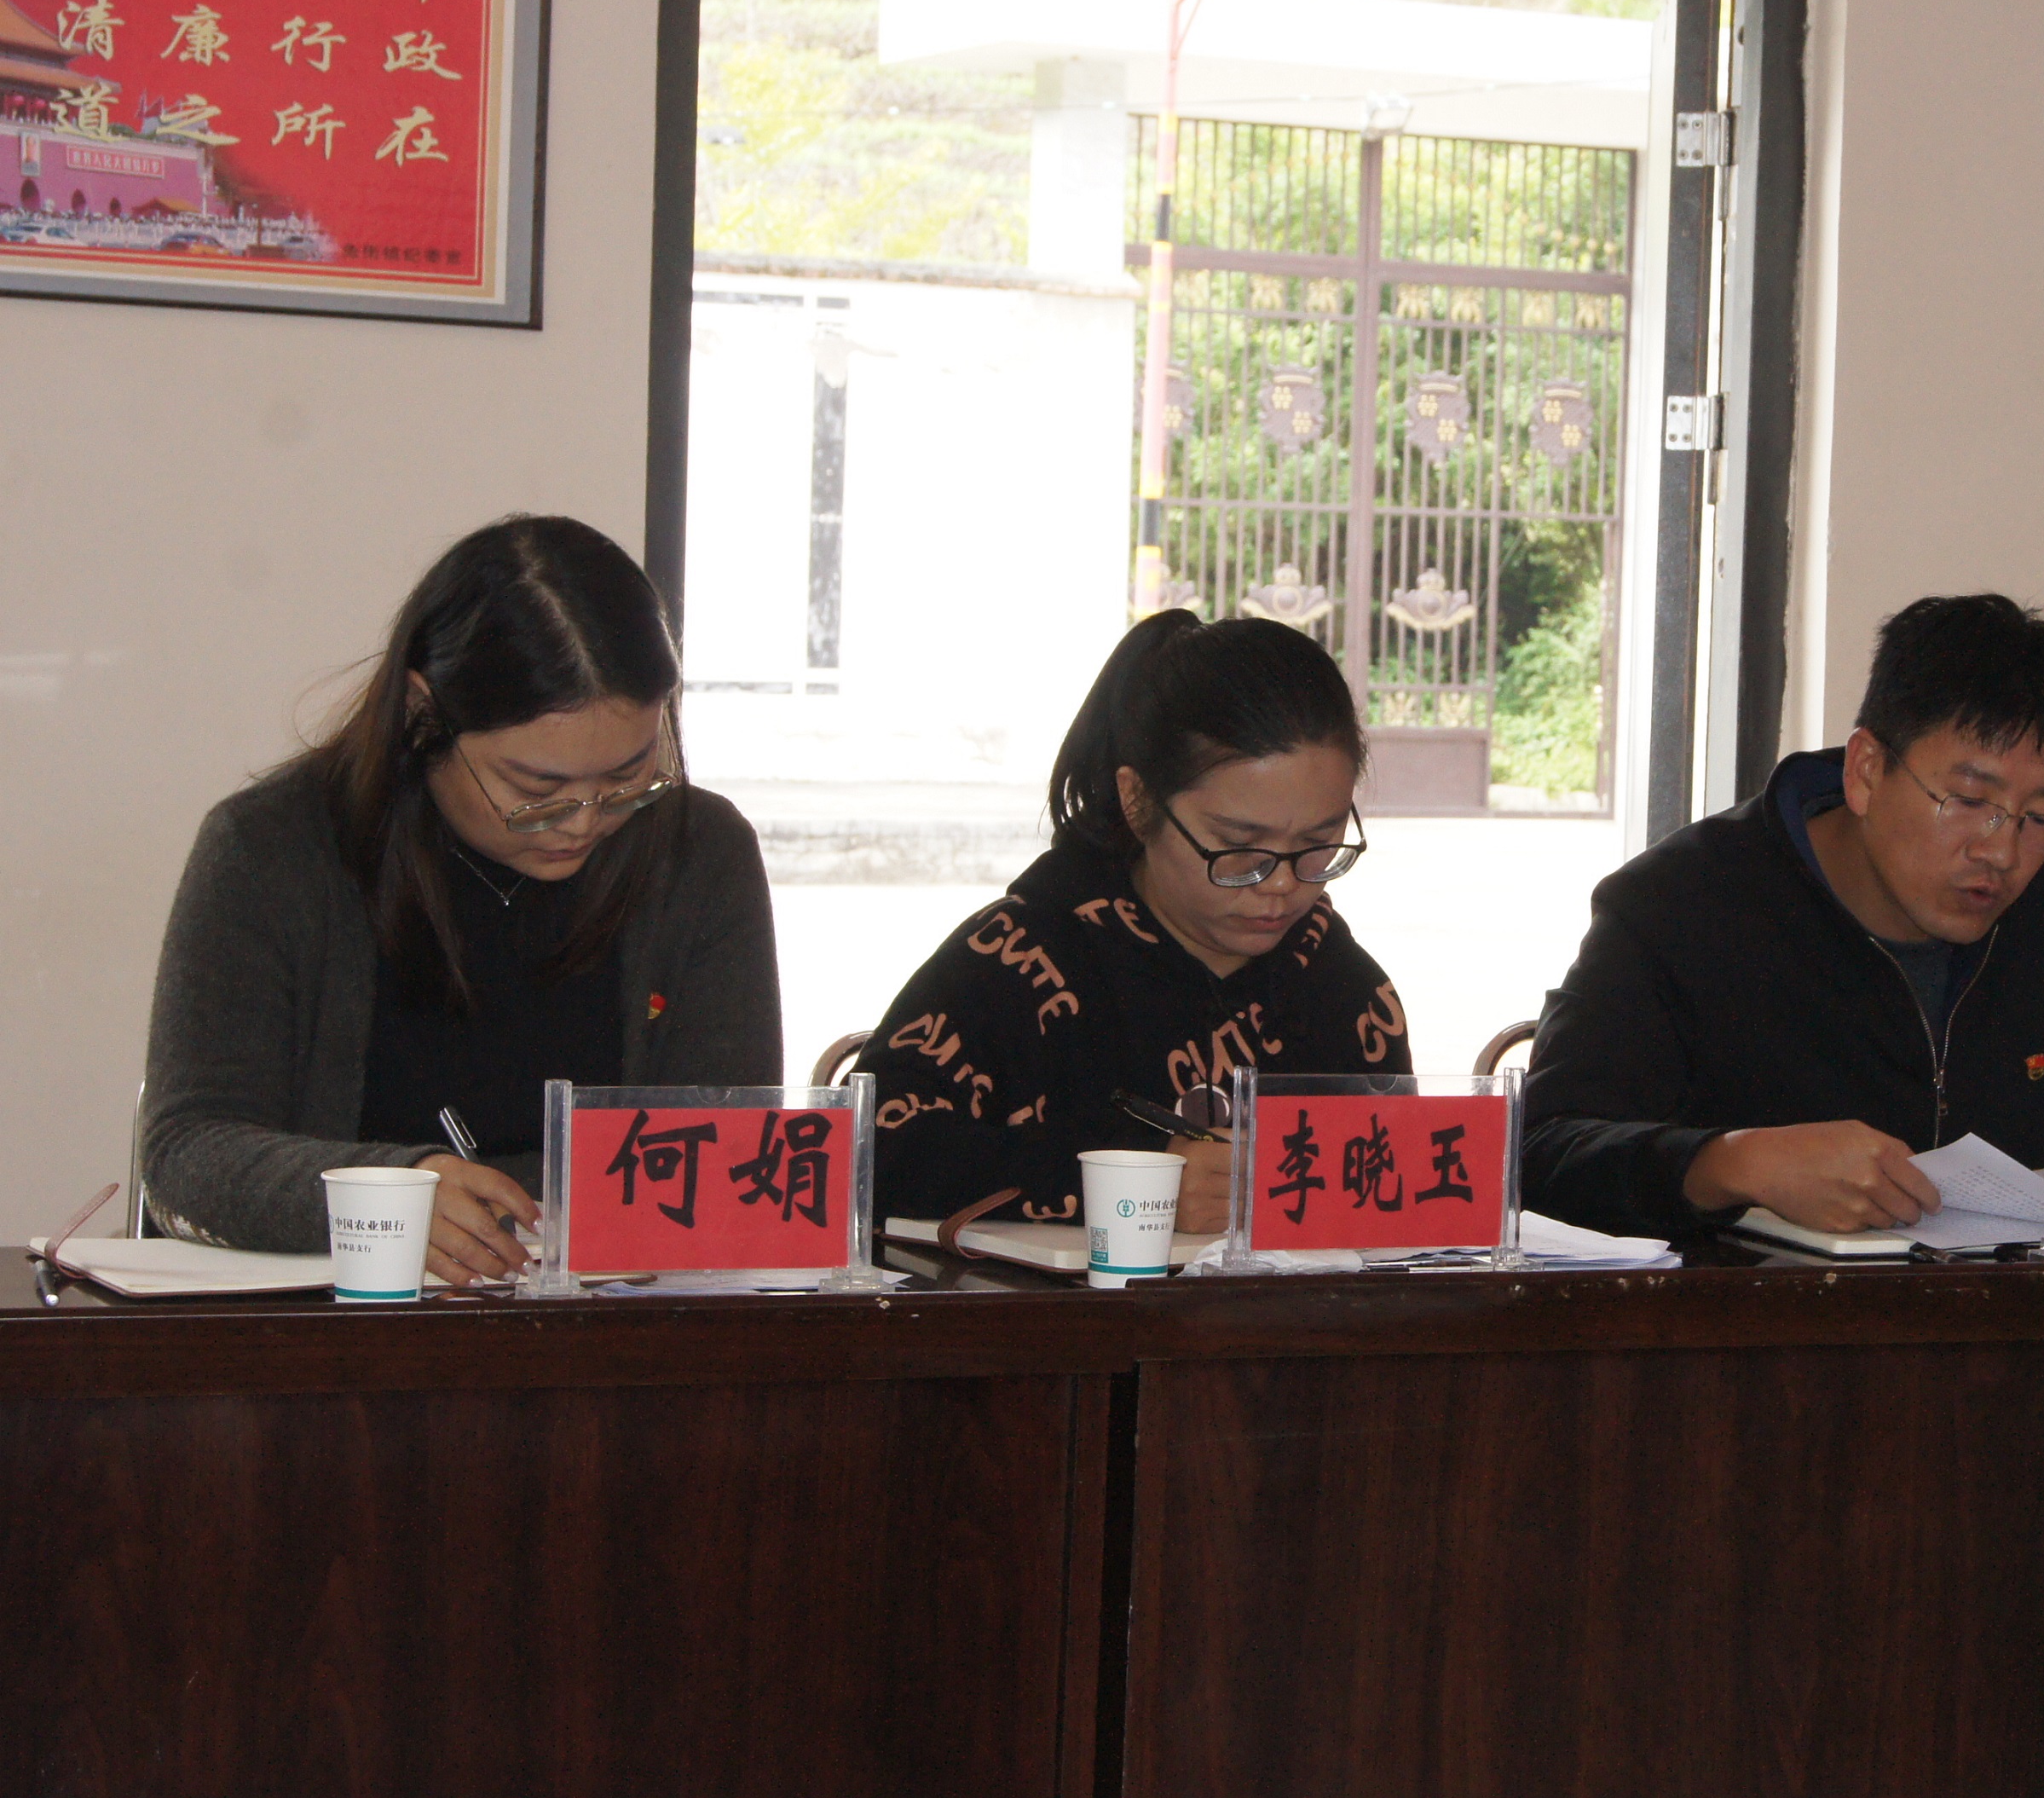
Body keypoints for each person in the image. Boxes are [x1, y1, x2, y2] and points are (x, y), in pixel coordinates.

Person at [140, 515, 782, 1285]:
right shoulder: (273, 850)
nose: (583, 822)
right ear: (424, 714)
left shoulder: (699, 853)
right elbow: (188, 1150)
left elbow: (733, 1145)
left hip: (616, 1315)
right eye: (536, 788)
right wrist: (390, 1192)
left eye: (626, 778)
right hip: (343, 1323)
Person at [1522, 593, 2044, 1240]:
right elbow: (1542, 1150)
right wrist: (1732, 1163)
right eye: (1967, 800)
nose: (2001, 852)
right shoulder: (1681, 905)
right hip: (1752, 1306)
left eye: (2038, 817)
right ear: (1866, 771)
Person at [857, 610, 1412, 1234]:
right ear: (1138, 800)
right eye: (1239, 847)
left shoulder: (1344, 991)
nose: (1281, 884)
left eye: (1318, 844)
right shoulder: (1018, 964)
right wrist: (1127, 1182)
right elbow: (865, 1152)